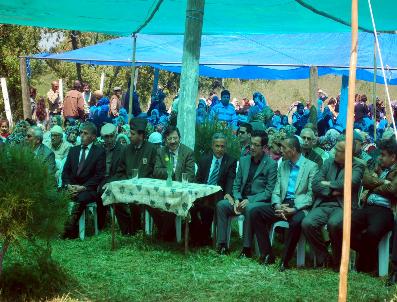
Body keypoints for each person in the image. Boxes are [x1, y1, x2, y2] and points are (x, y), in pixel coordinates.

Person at [251, 136, 318, 270]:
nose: (281, 150)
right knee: (255, 212)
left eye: (284, 148)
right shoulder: (283, 165)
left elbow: (311, 195)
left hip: (300, 206)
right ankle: (267, 254)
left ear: (293, 150)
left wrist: (294, 209)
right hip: (283, 203)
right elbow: (276, 189)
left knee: (296, 222)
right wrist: (277, 205)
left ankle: (285, 260)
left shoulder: (311, 166)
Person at [302, 141, 365, 270]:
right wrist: (332, 190)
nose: (334, 152)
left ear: (348, 154)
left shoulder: (357, 166)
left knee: (334, 224)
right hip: (324, 204)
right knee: (307, 223)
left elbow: (350, 182)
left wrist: (327, 183)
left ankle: (338, 262)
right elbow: (315, 183)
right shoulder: (328, 162)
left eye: (338, 150)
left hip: (343, 206)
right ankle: (324, 257)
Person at [216, 131, 277, 257]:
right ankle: (222, 244)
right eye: (251, 144)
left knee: (249, 208)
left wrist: (250, 199)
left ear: (264, 147)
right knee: (221, 205)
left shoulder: (271, 164)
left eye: (256, 145)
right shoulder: (244, 161)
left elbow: (269, 192)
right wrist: (237, 198)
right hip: (240, 199)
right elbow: (236, 184)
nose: (252, 148)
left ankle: (246, 248)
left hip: (257, 202)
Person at [352, 137, 396, 274]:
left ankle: (367, 264)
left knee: (372, 233)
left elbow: (393, 189)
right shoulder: (379, 166)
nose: (380, 158)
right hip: (368, 206)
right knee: (345, 226)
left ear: (393, 157)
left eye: (383, 155)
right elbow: (366, 180)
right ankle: (369, 258)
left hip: (385, 210)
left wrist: (375, 184)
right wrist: (383, 182)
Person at [61, 122, 106, 239]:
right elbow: (65, 172)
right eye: (81, 133)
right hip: (72, 186)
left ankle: (69, 230)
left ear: (93, 137)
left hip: (88, 189)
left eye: (85, 133)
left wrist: (83, 187)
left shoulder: (99, 152)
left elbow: (99, 175)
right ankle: (56, 226)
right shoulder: (73, 150)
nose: (81, 135)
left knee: (80, 199)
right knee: (57, 194)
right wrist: (68, 185)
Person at [192, 133, 237, 246]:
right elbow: (198, 179)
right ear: (212, 146)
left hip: (218, 195)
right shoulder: (204, 160)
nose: (219, 149)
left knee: (207, 208)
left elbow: (231, 180)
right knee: (190, 207)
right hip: (202, 193)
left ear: (225, 147)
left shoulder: (230, 161)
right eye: (217, 146)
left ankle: (200, 238)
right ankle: (200, 234)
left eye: (222, 146)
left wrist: (227, 193)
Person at [114, 118, 158, 235]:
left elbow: (155, 172)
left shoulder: (151, 149)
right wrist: (124, 182)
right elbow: (120, 171)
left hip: (146, 189)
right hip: (128, 187)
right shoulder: (126, 150)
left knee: (135, 202)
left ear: (141, 135)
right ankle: (127, 230)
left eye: (132, 134)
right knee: (116, 200)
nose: (129, 136)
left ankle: (136, 230)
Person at [153, 125, 195, 240]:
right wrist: (170, 172)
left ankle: (164, 235)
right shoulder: (161, 152)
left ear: (179, 138)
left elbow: (190, 176)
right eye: (169, 139)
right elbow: (156, 171)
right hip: (164, 189)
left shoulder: (188, 153)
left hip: (181, 191)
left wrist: (174, 175)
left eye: (175, 138)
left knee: (171, 202)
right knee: (150, 203)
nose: (173, 142)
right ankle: (167, 232)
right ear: (165, 140)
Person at [97, 123, 125, 230]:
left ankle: (101, 225)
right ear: (102, 137)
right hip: (100, 178)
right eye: (106, 137)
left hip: (115, 178)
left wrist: (111, 182)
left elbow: (122, 171)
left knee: (102, 191)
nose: (109, 139)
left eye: (111, 136)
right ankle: (99, 224)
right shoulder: (99, 148)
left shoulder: (122, 149)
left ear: (115, 135)